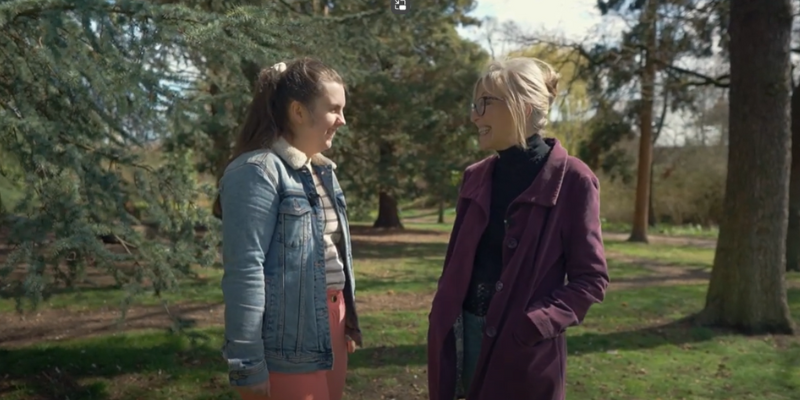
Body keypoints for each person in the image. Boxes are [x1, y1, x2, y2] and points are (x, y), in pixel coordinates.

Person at [426, 57, 610, 400]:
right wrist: (441, 314)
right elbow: (455, 265)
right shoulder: (474, 177)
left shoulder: (574, 180)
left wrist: (534, 325)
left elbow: (591, 280)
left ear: (522, 108)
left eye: (484, 104)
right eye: (474, 105)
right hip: (460, 340)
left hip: (524, 354)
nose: (474, 116)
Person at [213, 57, 361, 400]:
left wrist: (347, 320)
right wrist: (247, 363)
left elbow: (335, 253)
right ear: (298, 111)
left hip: (333, 324)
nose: (343, 120)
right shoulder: (256, 171)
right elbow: (244, 271)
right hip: (288, 338)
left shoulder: (322, 171)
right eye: (334, 109)